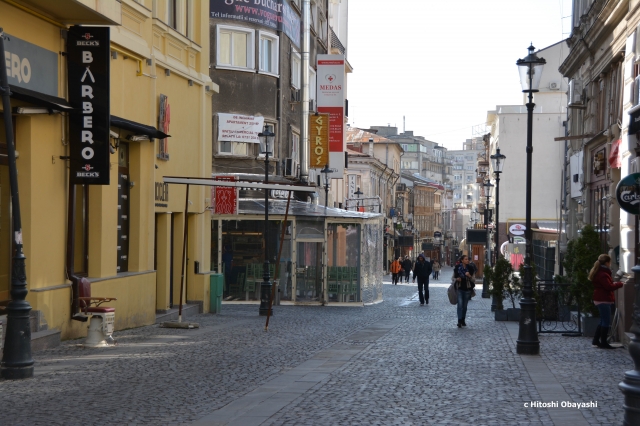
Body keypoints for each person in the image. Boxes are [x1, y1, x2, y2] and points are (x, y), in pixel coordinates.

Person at [589, 254, 623, 349]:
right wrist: (620, 284)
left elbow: (607, 284)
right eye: (610, 262)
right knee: (606, 321)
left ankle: (596, 340)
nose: (610, 264)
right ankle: (603, 342)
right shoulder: (603, 274)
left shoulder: (600, 272)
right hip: (603, 299)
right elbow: (608, 287)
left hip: (601, 298)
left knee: (602, 320)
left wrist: (614, 283)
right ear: (607, 263)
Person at [455, 255, 474, 327]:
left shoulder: (471, 268)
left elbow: (473, 280)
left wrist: (469, 276)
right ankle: (459, 321)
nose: (467, 260)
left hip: (467, 289)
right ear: (462, 260)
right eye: (466, 259)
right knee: (460, 305)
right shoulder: (457, 268)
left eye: (468, 259)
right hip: (459, 288)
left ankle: (463, 319)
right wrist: (457, 279)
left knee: (464, 306)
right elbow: (453, 278)